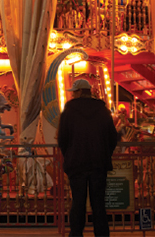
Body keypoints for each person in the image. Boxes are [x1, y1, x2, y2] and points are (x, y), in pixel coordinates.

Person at [58, 78, 119, 237]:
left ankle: (76, 234)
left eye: (74, 92)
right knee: (98, 204)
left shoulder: (69, 110)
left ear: (78, 92)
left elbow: (63, 138)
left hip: (76, 164)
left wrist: (69, 155)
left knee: (78, 202)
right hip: (98, 164)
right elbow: (113, 137)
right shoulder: (102, 110)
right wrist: (104, 153)